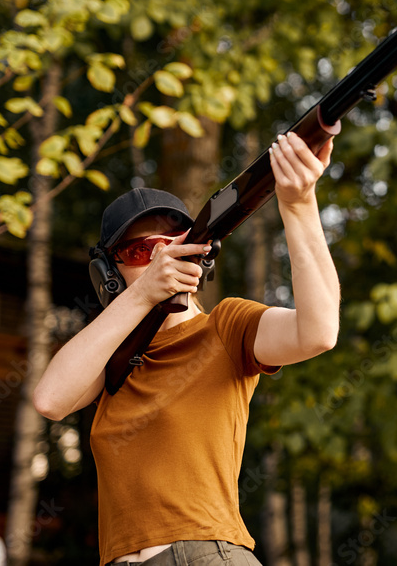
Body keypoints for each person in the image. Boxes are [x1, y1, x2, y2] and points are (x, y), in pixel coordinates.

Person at [33, 132, 340, 566]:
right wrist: (140, 299)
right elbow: (49, 399)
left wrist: (298, 202)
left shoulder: (225, 325)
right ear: (110, 275)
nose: (162, 258)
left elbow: (319, 332)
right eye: (141, 251)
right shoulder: (111, 360)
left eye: (174, 243)